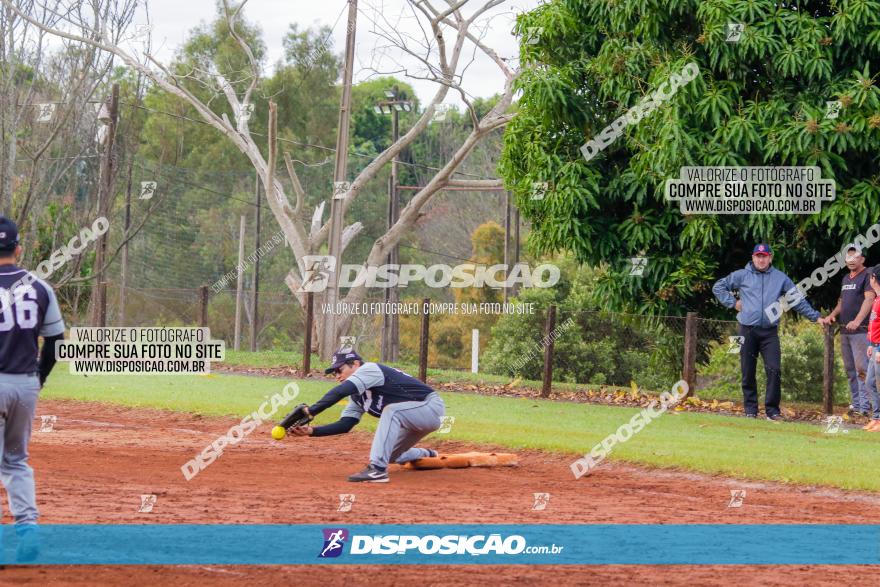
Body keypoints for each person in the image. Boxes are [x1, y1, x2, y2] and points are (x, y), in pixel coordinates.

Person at [0, 217, 65, 554]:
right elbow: (56, 343)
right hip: (24, 384)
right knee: (14, 461)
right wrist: (37, 379)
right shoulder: (40, 288)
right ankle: (27, 531)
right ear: (18, 248)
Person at [290, 349, 445, 482]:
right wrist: (311, 431)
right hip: (412, 418)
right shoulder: (357, 396)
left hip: (430, 408)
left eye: (339, 370)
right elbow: (346, 424)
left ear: (356, 364)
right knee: (388, 455)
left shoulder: (370, 368)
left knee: (391, 411)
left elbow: (339, 392)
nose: (337, 375)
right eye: (334, 373)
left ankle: (377, 470)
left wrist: (312, 411)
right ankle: (427, 454)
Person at [712, 243, 821, 421]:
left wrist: (816, 317)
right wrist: (733, 303)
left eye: (764, 256)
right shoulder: (741, 275)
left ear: (770, 258)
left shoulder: (780, 278)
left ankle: (772, 411)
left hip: (770, 332)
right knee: (747, 370)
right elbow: (718, 287)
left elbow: (797, 300)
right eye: (757, 256)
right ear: (753, 257)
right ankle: (750, 410)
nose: (761, 259)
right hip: (745, 330)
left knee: (774, 369)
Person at [817, 244, 875, 417]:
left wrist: (857, 321)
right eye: (848, 257)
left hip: (862, 331)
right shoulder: (845, 278)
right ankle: (856, 405)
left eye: (855, 256)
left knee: (862, 369)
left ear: (862, 259)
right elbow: (841, 302)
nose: (850, 260)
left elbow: (870, 299)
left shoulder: (867, 275)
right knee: (850, 370)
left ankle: (866, 408)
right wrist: (831, 316)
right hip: (844, 331)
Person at [862, 265, 880, 431]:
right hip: (874, 347)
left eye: (870, 277)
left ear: (874, 279)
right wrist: (870, 344)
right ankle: (876, 418)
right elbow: (874, 325)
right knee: (869, 383)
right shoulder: (877, 299)